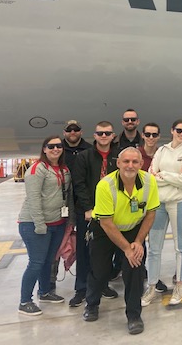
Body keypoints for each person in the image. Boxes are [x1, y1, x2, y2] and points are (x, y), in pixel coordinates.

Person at [82, 147, 160, 335]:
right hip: (104, 231)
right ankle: (91, 304)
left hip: (133, 229)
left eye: (135, 162)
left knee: (135, 270)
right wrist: (126, 248)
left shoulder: (149, 181)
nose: (130, 165)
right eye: (126, 161)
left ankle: (134, 315)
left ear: (142, 164)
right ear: (118, 163)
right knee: (101, 271)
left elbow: (150, 214)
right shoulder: (105, 185)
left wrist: (138, 242)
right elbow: (107, 223)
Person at [142, 120, 182, 307]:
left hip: (179, 203)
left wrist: (163, 175)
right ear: (172, 130)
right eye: (179, 130)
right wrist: (169, 177)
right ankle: (151, 286)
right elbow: (150, 176)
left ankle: (179, 285)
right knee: (154, 248)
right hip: (159, 204)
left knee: (180, 247)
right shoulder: (162, 150)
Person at [18, 136, 74, 316]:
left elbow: (67, 195)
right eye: (51, 146)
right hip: (34, 224)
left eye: (59, 146)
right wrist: (40, 224)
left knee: (48, 261)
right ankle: (25, 301)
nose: (56, 149)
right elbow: (34, 199)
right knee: (36, 262)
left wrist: (68, 220)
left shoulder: (63, 168)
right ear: (44, 149)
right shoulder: (37, 169)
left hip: (57, 223)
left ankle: (45, 292)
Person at [69, 122, 119, 307]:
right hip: (89, 212)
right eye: (100, 133)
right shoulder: (84, 156)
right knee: (84, 251)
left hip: (111, 212)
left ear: (113, 135)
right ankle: (81, 288)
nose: (104, 136)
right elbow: (79, 184)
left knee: (105, 252)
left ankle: (102, 285)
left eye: (107, 133)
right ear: (95, 135)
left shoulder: (117, 156)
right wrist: (88, 208)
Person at [50, 120, 91, 291]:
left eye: (76, 129)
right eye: (69, 130)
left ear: (81, 132)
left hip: (82, 204)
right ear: (64, 132)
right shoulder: (58, 150)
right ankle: (49, 282)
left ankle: (86, 282)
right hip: (62, 203)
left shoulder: (89, 149)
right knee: (56, 243)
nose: (72, 132)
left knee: (85, 245)